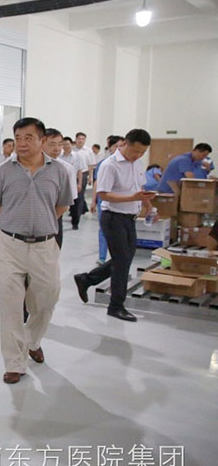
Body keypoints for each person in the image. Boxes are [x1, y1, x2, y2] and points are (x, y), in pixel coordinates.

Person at [0, 117, 71, 384]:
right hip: (10, 246)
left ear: (42, 140)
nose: (22, 143)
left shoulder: (59, 171)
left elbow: (62, 205)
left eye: (28, 138)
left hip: (45, 245)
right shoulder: (3, 171)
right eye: (18, 138)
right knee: (11, 304)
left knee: (48, 297)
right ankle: (15, 362)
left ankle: (32, 340)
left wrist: (41, 221)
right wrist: (13, 222)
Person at [74, 129, 154, 322]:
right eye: (135, 151)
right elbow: (103, 194)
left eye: (142, 152)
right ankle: (116, 306)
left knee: (124, 258)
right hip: (113, 217)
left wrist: (148, 205)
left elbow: (139, 188)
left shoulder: (138, 163)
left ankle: (86, 279)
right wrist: (132, 197)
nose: (138, 155)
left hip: (130, 217)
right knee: (121, 263)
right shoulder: (110, 165)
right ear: (125, 144)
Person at [91, 136, 125, 265]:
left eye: (121, 146)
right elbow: (97, 182)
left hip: (121, 201)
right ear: (110, 148)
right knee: (103, 229)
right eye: (116, 146)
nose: (119, 149)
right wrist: (93, 200)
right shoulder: (104, 163)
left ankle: (116, 257)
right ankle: (102, 257)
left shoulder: (127, 163)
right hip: (104, 200)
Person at [42, 129, 77, 249]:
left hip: (55, 217)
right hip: (29, 218)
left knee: (52, 251)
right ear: (41, 143)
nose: (57, 148)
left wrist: (50, 220)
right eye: (52, 144)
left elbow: (67, 202)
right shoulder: (30, 166)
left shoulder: (66, 169)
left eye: (60, 144)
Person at [60, 137, 86, 230]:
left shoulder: (77, 156)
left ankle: (75, 222)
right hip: (62, 181)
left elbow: (80, 170)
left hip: (73, 180)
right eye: (64, 144)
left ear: (71, 145)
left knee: (75, 202)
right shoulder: (59, 156)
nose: (66, 146)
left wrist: (79, 183)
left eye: (67, 144)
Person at [74, 132, 95, 214]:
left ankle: (78, 212)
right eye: (79, 139)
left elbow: (91, 165)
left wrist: (90, 177)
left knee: (80, 193)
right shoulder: (73, 150)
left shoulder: (88, 151)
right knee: (74, 193)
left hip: (83, 173)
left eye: (83, 139)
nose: (81, 141)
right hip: (73, 174)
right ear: (76, 139)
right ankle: (81, 209)